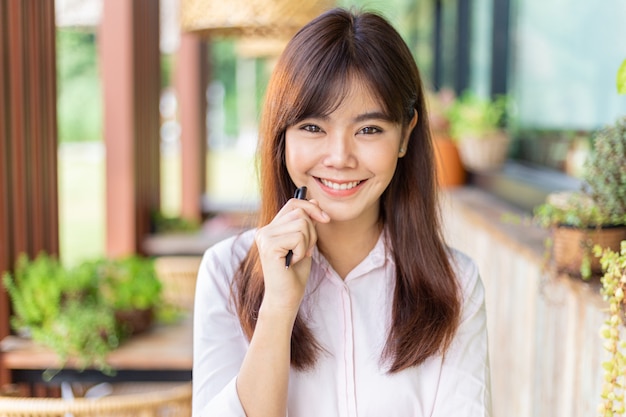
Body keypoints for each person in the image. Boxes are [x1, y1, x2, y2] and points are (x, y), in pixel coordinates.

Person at [193, 7, 491, 417]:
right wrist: (278, 307)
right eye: (313, 127)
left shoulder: (456, 284)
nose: (339, 157)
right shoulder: (226, 273)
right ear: (282, 136)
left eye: (369, 129)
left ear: (405, 135)